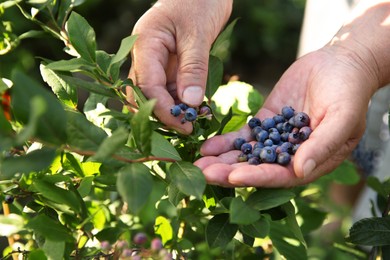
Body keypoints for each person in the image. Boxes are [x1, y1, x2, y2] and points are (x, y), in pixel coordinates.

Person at [128, 0, 390, 187]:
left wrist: (360, 58)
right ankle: (337, 210)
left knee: (343, 120)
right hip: (349, 25)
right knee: (339, 124)